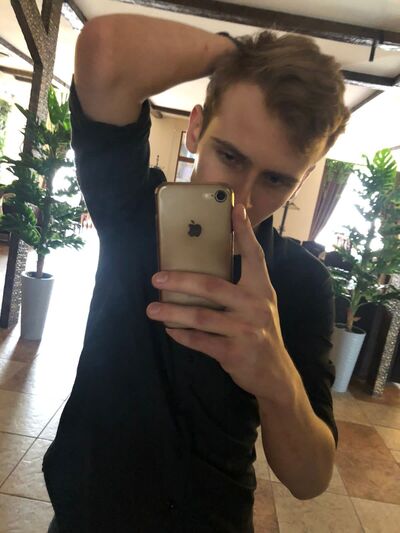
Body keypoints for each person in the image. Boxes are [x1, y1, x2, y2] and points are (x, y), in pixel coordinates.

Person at [43, 13, 349, 533]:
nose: (242, 200)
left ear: (301, 182)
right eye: (230, 155)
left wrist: (277, 378)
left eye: (276, 180)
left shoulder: (302, 283)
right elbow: (105, 50)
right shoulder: (131, 210)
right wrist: (239, 57)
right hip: (89, 513)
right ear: (195, 129)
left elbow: (310, 479)